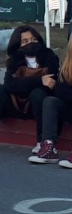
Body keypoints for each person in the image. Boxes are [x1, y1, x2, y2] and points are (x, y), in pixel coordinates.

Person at [0, 26, 59, 151]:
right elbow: (10, 85)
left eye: (33, 39)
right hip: (15, 104)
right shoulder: (15, 60)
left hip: (36, 105)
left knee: (38, 93)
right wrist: (39, 80)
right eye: (25, 41)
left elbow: (51, 83)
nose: (30, 43)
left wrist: (24, 84)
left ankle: (41, 142)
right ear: (19, 45)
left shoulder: (49, 56)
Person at [28, 38, 72, 166]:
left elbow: (61, 90)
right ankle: (49, 147)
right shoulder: (67, 66)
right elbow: (58, 91)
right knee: (50, 101)